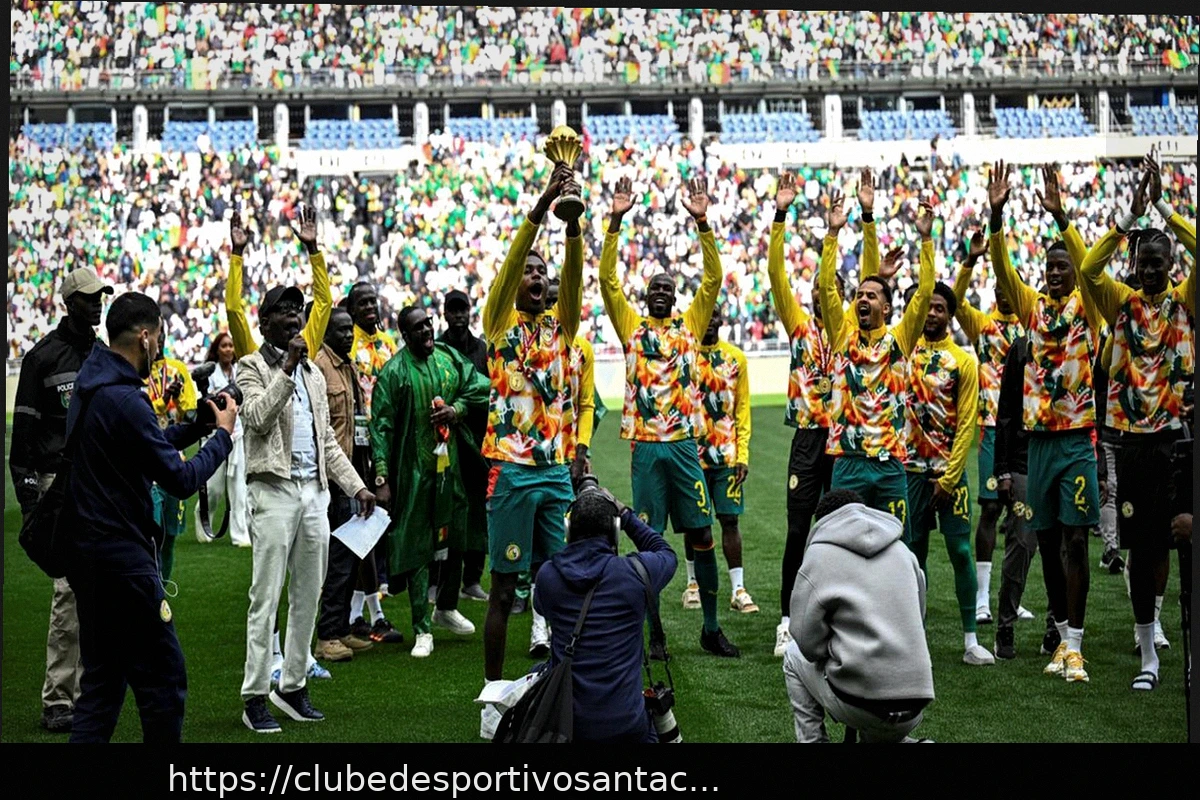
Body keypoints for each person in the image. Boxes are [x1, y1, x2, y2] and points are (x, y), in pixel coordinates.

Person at [64, 291, 236, 742]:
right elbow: (179, 479)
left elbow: (143, 446)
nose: (158, 349)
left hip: (90, 556)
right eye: (157, 338)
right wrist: (222, 436)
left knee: (101, 687)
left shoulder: (93, 384)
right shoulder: (125, 398)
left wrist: (196, 427)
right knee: (163, 681)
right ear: (144, 337)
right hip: (124, 561)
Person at [600, 174, 738, 658]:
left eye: (667, 288)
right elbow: (607, 281)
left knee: (702, 533)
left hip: (683, 445)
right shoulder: (632, 328)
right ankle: (652, 632)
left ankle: (711, 626)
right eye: (654, 287)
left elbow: (713, 279)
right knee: (648, 541)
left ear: (675, 297)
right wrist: (615, 220)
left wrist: (703, 223)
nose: (660, 291)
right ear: (645, 296)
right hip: (645, 449)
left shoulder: (691, 324)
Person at [236, 283, 375, 733]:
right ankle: (255, 694)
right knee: (266, 597)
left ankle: (292, 685)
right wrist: (288, 367)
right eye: (283, 310)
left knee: (308, 594)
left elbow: (328, 443)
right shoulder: (250, 367)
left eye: (298, 309)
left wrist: (357, 486)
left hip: (313, 492)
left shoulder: (313, 374)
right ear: (264, 322)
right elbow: (256, 417)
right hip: (273, 490)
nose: (294, 316)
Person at [1078, 157, 1195, 692]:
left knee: (1181, 543)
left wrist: (1166, 212)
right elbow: (1087, 270)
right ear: (1135, 263)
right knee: (1143, 547)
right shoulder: (1119, 304)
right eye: (1144, 263)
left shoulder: (1185, 302)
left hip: (1177, 440)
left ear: (1171, 263)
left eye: (1159, 262)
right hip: (1129, 441)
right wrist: (1129, 216)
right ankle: (1147, 652)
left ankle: (1179, 638)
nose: (1151, 271)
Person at [478, 163, 583, 739]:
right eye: (531, 273)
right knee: (502, 586)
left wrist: (571, 225)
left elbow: (575, 276)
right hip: (512, 472)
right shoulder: (498, 323)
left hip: (555, 475)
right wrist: (544, 204)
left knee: (559, 579)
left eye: (545, 275)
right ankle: (493, 698)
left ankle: (559, 687)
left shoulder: (563, 325)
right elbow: (516, 261)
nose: (538, 279)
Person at [988, 161, 1102, 683]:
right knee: (1049, 542)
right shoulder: (1032, 311)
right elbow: (1002, 272)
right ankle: (1060, 635)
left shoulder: (1089, 310)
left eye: (1063, 268)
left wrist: (1062, 219)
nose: (1056, 273)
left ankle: (1074, 645)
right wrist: (995, 216)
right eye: (1050, 268)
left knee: (1075, 541)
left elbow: (1088, 265)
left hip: (1077, 440)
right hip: (1038, 447)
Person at [10, 266, 111, 733]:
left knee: (100, 591)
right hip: (58, 486)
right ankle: (57, 698)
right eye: (89, 298)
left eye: (100, 297)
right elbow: (22, 446)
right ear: (68, 303)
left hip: (101, 484)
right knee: (69, 593)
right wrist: (33, 509)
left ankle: (91, 691)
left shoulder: (104, 355)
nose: (97, 304)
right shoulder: (41, 360)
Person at [370, 306, 491, 658]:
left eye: (427, 324)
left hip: (450, 469)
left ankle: (446, 606)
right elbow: (381, 426)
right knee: (419, 546)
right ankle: (422, 627)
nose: (426, 330)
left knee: (457, 536)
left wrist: (458, 410)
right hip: (413, 472)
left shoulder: (448, 357)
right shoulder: (394, 372)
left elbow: (481, 386)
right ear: (404, 335)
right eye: (417, 327)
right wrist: (381, 476)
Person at [766, 172, 852, 657]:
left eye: (831, 288)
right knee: (798, 530)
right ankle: (785, 621)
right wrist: (781, 215)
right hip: (806, 436)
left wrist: (837, 234)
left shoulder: (846, 334)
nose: (823, 296)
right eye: (818, 290)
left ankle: (839, 619)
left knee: (840, 531)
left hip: (842, 441)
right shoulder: (801, 326)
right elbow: (778, 275)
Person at [819, 186, 935, 519]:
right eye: (860, 295)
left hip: (890, 464)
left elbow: (925, 291)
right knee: (846, 546)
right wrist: (832, 233)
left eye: (872, 295)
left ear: (886, 306)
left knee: (896, 544)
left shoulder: (900, 340)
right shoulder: (842, 337)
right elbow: (827, 288)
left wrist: (926, 240)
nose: (864, 299)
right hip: (848, 462)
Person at [533, 477, 678, 743]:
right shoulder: (636, 573)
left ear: (567, 531)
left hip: (569, 725)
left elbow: (541, 607)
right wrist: (625, 515)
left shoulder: (548, 577)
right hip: (627, 724)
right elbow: (664, 551)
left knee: (538, 669)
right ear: (614, 532)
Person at [783, 489, 934, 744]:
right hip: (916, 704)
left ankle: (812, 741)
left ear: (824, 522)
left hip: (860, 703)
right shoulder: (903, 551)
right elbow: (917, 619)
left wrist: (837, 647)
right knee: (878, 715)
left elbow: (807, 645)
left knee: (792, 655)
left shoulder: (819, 556)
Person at [901, 281, 992, 665]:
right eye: (928, 308)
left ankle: (970, 639)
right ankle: (913, 637)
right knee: (911, 556)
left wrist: (950, 478)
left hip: (948, 476)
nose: (932, 314)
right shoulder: (902, 353)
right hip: (908, 472)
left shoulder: (963, 362)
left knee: (960, 551)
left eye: (940, 308)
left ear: (951, 315)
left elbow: (967, 422)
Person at [952, 232, 1033, 624]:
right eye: (997, 288)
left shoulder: (1031, 327)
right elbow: (953, 302)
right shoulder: (983, 327)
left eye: (1008, 288)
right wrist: (969, 261)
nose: (1003, 294)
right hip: (989, 428)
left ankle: (1013, 597)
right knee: (988, 509)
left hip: (1024, 432)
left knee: (1025, 515)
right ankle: (983, 597)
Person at [313, 308, 377, 663]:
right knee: (337, 560)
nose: (349, 335)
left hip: (353, 472)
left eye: (350, 330)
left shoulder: (348, 367)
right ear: (325, 332)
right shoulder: (320, 367)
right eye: (341, 330)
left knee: (350, 557)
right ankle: (327, 636)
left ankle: (339, 629)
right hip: (332, 476)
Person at [344, 280, 404, 645]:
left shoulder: (388, 345)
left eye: (373, 301)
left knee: (372, 527)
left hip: (383, 442)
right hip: (352, 446)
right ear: (350, 309)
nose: (370, 307)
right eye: (362, 303)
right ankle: (360, 614)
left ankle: (362, 613)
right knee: (358, 525)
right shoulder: (343, 340)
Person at [992, 334, 1055, 660]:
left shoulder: (1081, 340)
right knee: (1022, 543)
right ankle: (1005, 625)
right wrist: (1001, 469)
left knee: (1062, 547)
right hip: (1023, 461)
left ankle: (1056, 627)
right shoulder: (1021, 346)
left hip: (1063, 456)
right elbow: (1005, 410)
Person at [694, 311, 757, 615]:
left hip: (727, 456)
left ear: (720, 321)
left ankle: (738, 589)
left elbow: (742, 409)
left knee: (729, 520)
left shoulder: (735, 359)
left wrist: (742, 454)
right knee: (696, 521)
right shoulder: (685, 355)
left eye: (714, 314)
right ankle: (693, 584)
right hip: (691, 455)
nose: (709, 319)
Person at [436, 288, 490, 603]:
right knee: (443, 510)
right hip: (446, 444)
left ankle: (472, 579)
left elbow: (487, 393)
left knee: (477, 513)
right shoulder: (437, 348)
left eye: (462, 310)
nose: (458, 316)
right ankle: (440, 579)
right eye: (453, 310)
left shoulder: (481, 349)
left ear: (469, 312)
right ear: (445, 313)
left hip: (479, 444)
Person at [145, 345, 198, 583]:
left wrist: (178, 399)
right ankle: (147, 592)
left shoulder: (177, 369)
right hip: (145, 467)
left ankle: (162, 594)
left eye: (162, 331)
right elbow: (141, 410)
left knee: (170, 536)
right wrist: (163, 399)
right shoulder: (134, 372)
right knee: (150, 535)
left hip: (174, 463)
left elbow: (191, 414)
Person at [193, 331, 250, 547]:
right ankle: (203, 517)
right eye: (224, 346)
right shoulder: (208, 373)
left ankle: (239, 534)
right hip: (215, 435)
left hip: (238, 436)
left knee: (239, 488)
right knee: (214, 488)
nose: (228, 349)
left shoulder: (240, 373)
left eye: (231, 346)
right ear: (217, 349)